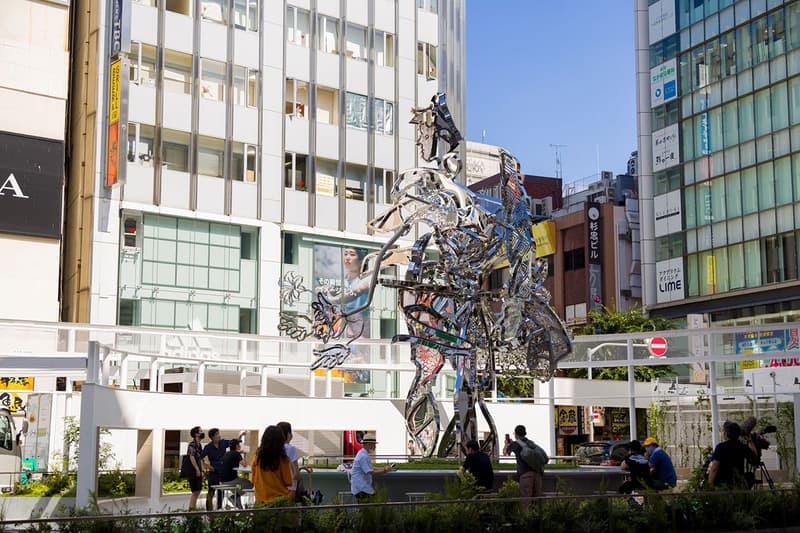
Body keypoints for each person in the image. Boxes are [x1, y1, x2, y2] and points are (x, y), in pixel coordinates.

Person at [251, 425, 294, 504]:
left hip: (260, 500)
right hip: (279, 500)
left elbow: (253, 479)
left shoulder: (258, 457)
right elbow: (288, 481)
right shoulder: (283, 459)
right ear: (280, 441)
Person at [503, 425, 544, 507]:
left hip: (525, 475)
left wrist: (507, 444)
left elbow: (505, 453)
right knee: (537, 502)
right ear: (525, 433)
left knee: (525, 502)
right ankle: (538, 519)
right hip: (537, 474)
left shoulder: (515, 444)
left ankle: (526, 519)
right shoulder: (530, 443)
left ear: (516, 434)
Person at [707, 421, 756, 488]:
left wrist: (710, 484)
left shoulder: (721, 447)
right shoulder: (742, 447)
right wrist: (750, 440)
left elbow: (715, 467)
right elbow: (755, 457)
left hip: (722, 484)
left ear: (726, 434)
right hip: (737, 484)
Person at [350, 432, 394, 501]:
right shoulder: (363, 456)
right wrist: (385, 470)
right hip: (362, 488)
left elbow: (371, 467)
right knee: (373, 505)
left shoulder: (362, 453)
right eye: (374, 444)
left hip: (361, 488)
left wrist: (384, 468)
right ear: (368, 444)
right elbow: (371, 472)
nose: (375, 447)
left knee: (369, 507)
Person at [202, 428, 231, 510]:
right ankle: (209, 512)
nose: (219, 435)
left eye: (219, 434)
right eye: (217, 434)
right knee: (211, 491)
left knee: (221, 492)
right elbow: (200, 458)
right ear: (212, 437)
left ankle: (219, 510)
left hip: (222, 472)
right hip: (213, 472)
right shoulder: (208, 447)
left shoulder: (223, 442)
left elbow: (234, 442)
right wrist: (207, 466)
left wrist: (241, 435)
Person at [219, 439, 250, 508]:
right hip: (230, 480)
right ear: (236, 446)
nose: (240, 446)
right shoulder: (236, 454)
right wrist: (244, 455)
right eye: (239, 444)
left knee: (238, 489)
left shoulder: (227, 453)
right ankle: (233, 497)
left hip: (222, 480)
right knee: (249, 484)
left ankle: (240, 508)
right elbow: (244, 465)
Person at [277, 421, 301, 498]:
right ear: (288, 434)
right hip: (290, 488)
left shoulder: (274, 448)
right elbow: (296, 474)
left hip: (276, 488)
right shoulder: (291, 449)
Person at [186, 426, 205, 510]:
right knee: (195, 491)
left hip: (199, 470)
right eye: (200, 431)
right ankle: (191, 510)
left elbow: (200, 458)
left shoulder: (199, 445)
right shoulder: (192, 445)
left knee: (198, 490)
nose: (202, 433)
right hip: (193, 471)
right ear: (195, 434)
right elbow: (191, 456)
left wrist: (202, 470)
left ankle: (193, 508)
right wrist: (197, 469)